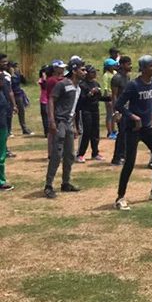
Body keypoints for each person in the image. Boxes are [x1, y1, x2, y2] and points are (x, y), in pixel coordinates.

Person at [114, 55, 152, 211]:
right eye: (151, 66)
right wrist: (133, 116)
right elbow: (119, 105)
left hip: (147, 127)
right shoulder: (133, 85)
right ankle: (120, 197)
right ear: (143, 68)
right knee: (130, 162)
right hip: (133, 129)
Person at [45, 58, 86, 199]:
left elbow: (72, 109)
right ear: (74, 71)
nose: (85, 72)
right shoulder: (63, 84)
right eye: (82, 70)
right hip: (59, 122)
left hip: (69, 123)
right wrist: (51, 121)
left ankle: (66, 182)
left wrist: (74, 126)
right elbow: (51, 100)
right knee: (57, 155)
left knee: (70, 155)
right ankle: (48, 185)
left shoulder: (78, 88)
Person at [76, 65, 103, 162]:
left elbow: (98, 97)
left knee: (95, 132)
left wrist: (108, 98)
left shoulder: (96, 83)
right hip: (85, 110)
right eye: (92, 72)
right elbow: (81, 100)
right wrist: (90, 93)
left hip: (95, 109)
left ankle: (95, 153)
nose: (95, 74)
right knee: (86, 132)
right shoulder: (82, 85)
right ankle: (80, 154)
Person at [110, 56, 132, 165]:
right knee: (121, 133)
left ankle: (123, 155)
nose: (130, 66)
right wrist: (116, 111)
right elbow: (114, 96)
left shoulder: (127, 77)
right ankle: (116, 157)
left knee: (127, 133)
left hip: (127, 109)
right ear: (122, 65)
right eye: (128, 64)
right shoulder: (116, 78)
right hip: (120, 109)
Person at [0, 53, 14, 191]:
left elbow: (9, 92)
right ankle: (1, 181)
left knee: (2, 151)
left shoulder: (4, 77)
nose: (5, 64)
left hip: (3, 118)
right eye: (3, 62)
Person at [9, 63, 31, 135]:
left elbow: (25, 82)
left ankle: (24, 128)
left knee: (21, 111)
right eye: (14, 67)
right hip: (10, 96)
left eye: (16, 67)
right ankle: (9, 130)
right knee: (10, 112)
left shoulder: (18, 74)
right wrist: (11, 75)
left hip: (18, 95)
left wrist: (21, 75)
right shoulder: (8, 76)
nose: (15, 68)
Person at [102, 58, 118, 139]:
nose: (114, 66)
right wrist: (107, 99)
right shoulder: (106, 75)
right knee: (109, 114)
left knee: (114, 114)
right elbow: (105, 88)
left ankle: (114, 130)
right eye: (112, 65)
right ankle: (109, 132)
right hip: (109, 95)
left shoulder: (115, 73)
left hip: (115, 95)